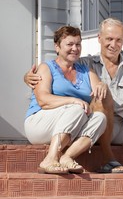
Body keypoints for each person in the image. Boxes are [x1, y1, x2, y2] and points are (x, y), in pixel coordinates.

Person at [24, 18, 123, 173]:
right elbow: (58, 65)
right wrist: (27, 77)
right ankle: (108, 159)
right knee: (99, 99)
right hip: (96, 126)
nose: (113, 45)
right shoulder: (84, 63)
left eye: (118, 40)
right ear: (99, 39)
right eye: (109, 39)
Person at [24, 25, 108, 174]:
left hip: (70, 124)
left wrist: (102, 85)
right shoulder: (46, 67)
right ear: (57, 47)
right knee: (77, 108)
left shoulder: (86, 71)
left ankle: (67, 157)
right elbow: (43, 100)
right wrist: (73, 101)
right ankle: (50, 158)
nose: (75, 48)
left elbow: (98, 91)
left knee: (100, 118)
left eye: (78, 44)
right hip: (39, 124)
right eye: (69, 44)